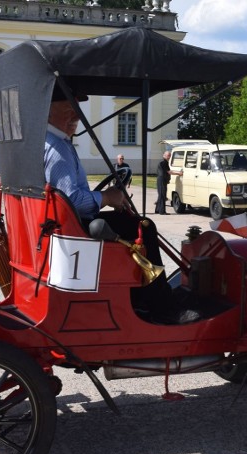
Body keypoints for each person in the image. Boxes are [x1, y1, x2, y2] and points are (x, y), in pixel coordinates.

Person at [44, 93, 173, 315]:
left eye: (77, 109)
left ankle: (141, 297)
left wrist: (106, 197)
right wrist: (106, 198)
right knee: (144, 226)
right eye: (69, 109)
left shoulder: (49, 141)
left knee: (129, 221)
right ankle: (158, 304)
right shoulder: (57, 149)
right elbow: (71, 200)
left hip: (62, 228)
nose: (77, 115)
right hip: (74, 232)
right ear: (48, 110)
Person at [155, 151, 178, 215]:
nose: (169, 157)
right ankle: (162, 211)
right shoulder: (163, 163)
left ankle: (157, 209)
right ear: (164, 155)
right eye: (168, 155)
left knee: (160, 195)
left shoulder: (164, 163)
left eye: (169, 155)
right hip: (162, 180)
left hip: (161, 180)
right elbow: (169, 172)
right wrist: (179, 173)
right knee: (162, 195)